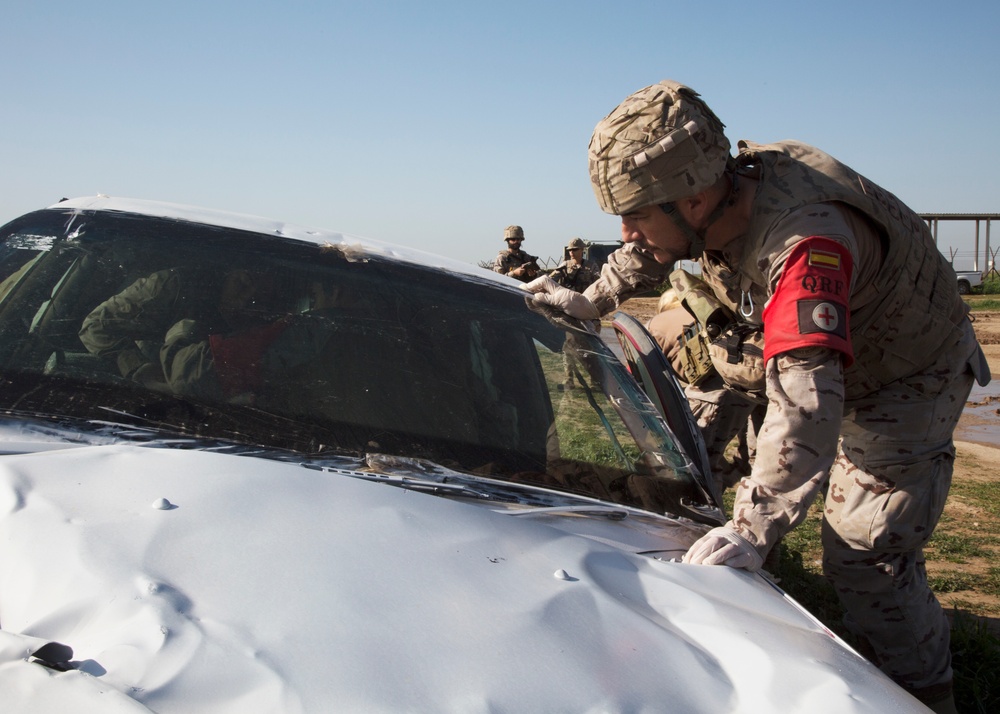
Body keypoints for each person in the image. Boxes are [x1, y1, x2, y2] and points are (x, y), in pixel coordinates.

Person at [524, 79, 989, 712]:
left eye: (636, 215)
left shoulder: (807, 246)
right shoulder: (714, 195)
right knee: (681, 462)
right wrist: (595, 299)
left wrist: (755, 526)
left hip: (904, 377)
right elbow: (651, 248)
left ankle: (922, 694)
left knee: (864, 553)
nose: (627, 233)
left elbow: (806, 399)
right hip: (799, 353)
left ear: (694, 200)